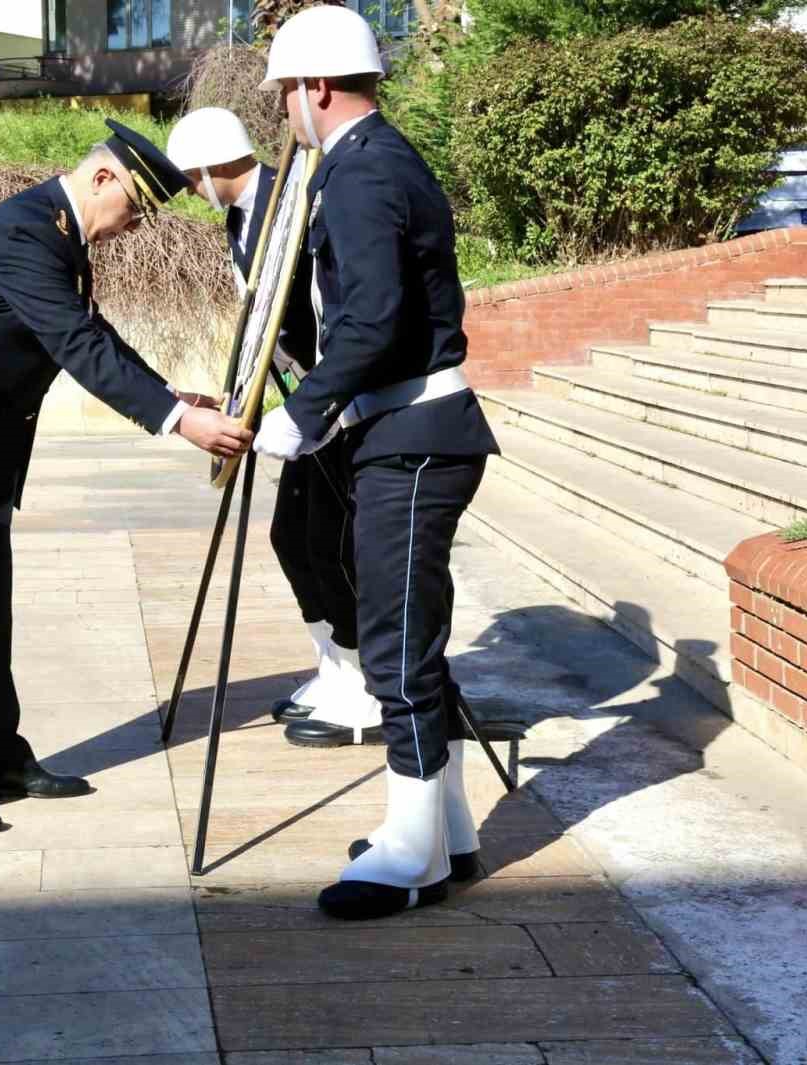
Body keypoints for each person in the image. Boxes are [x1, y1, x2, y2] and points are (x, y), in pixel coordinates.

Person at [0, 120, 253, 835]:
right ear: (103, 179)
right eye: (135, 209)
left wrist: (170, 395)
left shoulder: (59, 233)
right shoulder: (26, 234)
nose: (132, 229)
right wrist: (175, 422)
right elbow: (77, 343)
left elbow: (91, 330)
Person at [252, 6, 501, 919]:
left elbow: (372, 320)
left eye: (285, 92)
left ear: (316, 87)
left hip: (415, 437)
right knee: (411, 634)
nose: (285, 110)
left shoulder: (361, 173)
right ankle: (448, 831)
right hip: (402, 433)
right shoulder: (370, 161)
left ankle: (410, 853)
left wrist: (302, 412)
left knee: (395, 643)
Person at [166, 107, 381, 748]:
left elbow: (322, 310)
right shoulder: (241, 220)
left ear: (212, 166)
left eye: (191, 178)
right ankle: (334, 667)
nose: (192, 191)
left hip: (338, 405)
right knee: (292, 538)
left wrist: (312, 404)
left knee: (332, 546)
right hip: (294, 402)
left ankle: (367, 685)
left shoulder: (291, 204)